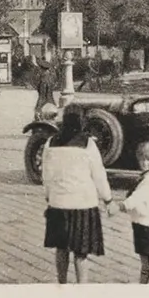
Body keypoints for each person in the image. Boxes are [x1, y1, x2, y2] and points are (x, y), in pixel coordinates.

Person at [41, 104, 115, 284]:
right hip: (83, 205)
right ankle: (82, 287)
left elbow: (47, 176)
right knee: (81, 253)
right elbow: (98, 174)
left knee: (61, 249)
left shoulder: (50, 143)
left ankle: (62, 285)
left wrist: (50, 198)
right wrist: (108, 199)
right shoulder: (88, 144)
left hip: (59, 205)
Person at [119, 141, 149, 284]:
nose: (145, 163)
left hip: (147, 224)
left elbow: (138, 196)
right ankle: (145, 285)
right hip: (145, 222)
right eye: (143, 160)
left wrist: (124, 205)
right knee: (145, 260)